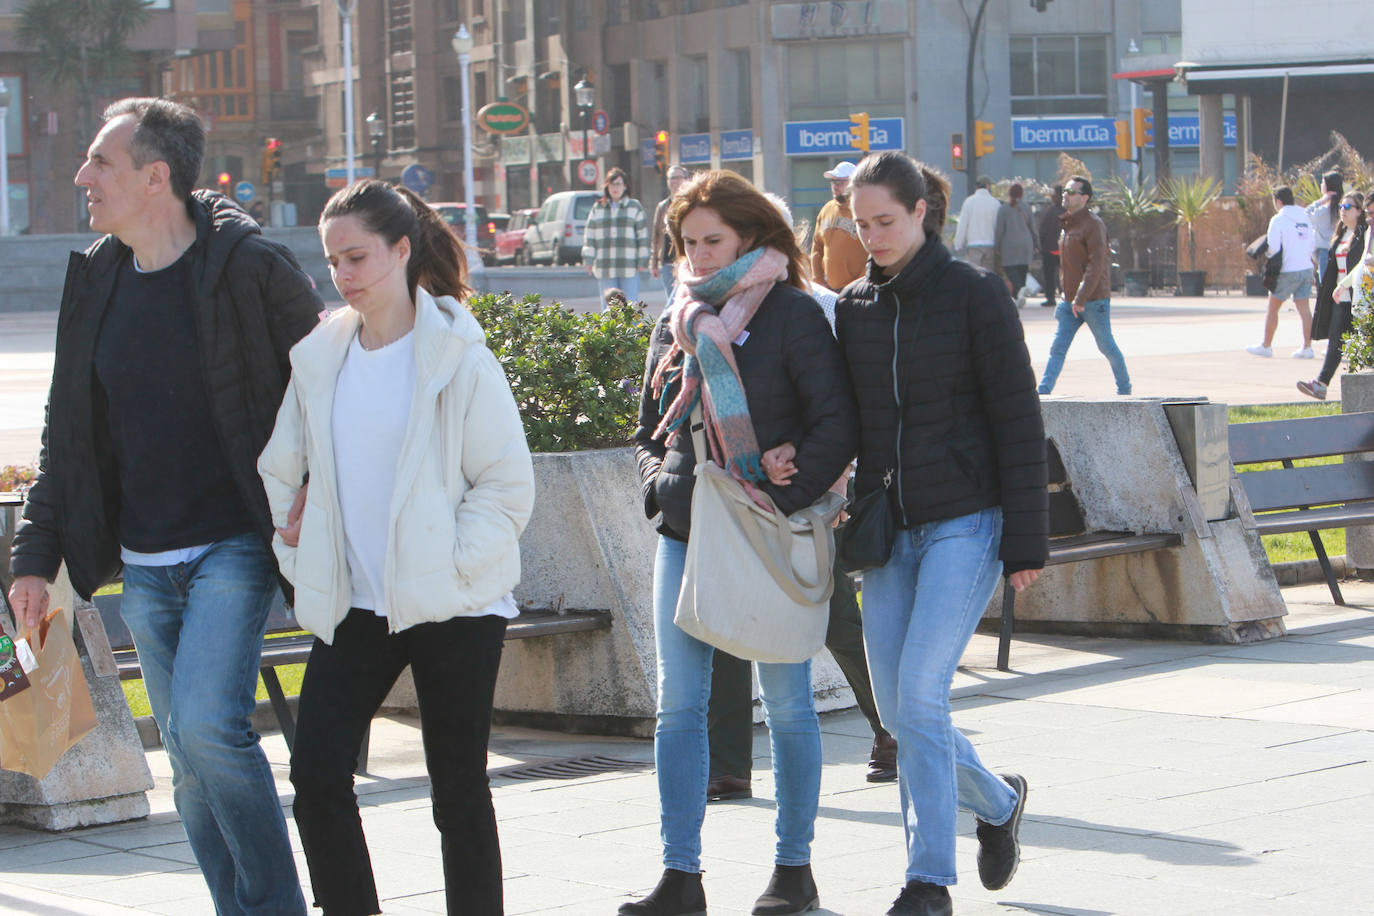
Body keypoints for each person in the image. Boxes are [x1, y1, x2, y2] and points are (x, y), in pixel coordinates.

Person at [6, 97, 322, 914]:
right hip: (142, 562)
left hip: (236, 545)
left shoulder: (250, 268)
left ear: (156, 177)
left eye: (100, 162)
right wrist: (36, 559)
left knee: (210, 729)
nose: (83, 177)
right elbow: (67, 433)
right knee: (183, 753)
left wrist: (318, 488)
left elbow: (326, 386)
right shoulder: (97, 278)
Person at [258, 179, 535, 916]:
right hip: (356, 603)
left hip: (454, 603)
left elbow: (506, 486)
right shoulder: (322, 357)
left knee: (457, 789)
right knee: (316, 779)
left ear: (402, 250)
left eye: (357, 257)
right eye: (333, 261)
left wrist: (447, 566)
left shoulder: (458, 358)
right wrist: (298, 538)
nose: (343, 275)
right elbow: (284, 472)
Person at [626, 170, 858, 916]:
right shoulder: (679, 317)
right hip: (688, 531)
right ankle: (680, 876)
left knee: (788, 703)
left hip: (768, 529)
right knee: (678, 707)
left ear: (750, 237)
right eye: (686, 242)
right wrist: (661, 484)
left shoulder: (792, 314)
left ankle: (795, 871)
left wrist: (781, 495)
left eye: (711, 241)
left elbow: (836, 426)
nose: (695, 255)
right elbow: (646, 433)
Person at [837, 151, 1046, 916]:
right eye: (860, 225)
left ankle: (928, 880)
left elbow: (1018, 419)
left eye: (885, 221)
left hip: (968, 520)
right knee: (899, 715)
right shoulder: (854, 307)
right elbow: (847, 424)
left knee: (921, 700)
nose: (872, 237)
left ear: (922, 210)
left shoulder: (975, 295)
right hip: (888, 532)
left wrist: (1026, 539)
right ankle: (995, 802)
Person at [703, 192, 897, 804]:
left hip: (806, 499)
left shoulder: (814, 309)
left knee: (839, 618)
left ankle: (890, 728)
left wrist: (828, 487)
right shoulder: (698, 311)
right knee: (725, 625)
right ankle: (730, 764)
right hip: (729, 500)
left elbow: (841, 413)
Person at [1036, 176, 1132, 396]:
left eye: (1071, 192)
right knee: (1058, 348)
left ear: (1085, 197)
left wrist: (1081, 298)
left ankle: (1125, 390)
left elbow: (1096, 265)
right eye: (1065, 192)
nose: (1066, 196)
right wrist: (1068, 298)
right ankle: (1044, 391)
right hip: (1069, 301)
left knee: (1106, 346)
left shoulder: (1093, 225)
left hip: (1093, 300)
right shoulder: (1068, 224)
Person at [1299, 191, 1367, 400]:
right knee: (1336, 341)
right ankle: (1321, 384)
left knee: (1364, 340)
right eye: (1341, 207)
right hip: (1341, 298)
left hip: (1359, 299)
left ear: (1359, 211)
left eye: (1347, 207)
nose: (1342, 211)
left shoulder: (1364, 235)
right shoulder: (1340, 234)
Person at [1248, 185, 1317, 359]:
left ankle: (1266, 345)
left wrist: (1268, 257)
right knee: (1304, 309)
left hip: (1288, 270)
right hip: (1306, 268)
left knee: (1272, 307)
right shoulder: (1305, 217)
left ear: (1278, 201)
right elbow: (1312, 243)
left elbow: (1273, 247)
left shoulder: (1278, 219)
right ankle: (1307, 347)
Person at [584, 166, 650, 304]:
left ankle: (631, 327)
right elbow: (590, 236)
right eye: (612, 184)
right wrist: (589, 260)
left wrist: (643, 260)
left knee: (630, 306)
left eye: (618, 184)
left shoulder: (634, 207)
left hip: (628, 266)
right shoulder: (598, 208)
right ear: (607, 187)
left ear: (625, 186)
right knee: (609, 308)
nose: (615, 188)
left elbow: (643, 236)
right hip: (605, 266)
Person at [810, 160, 868, 291]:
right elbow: (816, 248)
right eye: (833, 182)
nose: (835, 186)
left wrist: (861, 283)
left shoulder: (863, 210)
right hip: (828, 289)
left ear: (853, 183)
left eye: (840, 182)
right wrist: (818, 280)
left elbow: (874, 252)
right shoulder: (827, 209)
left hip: (857, 289)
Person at [651, 165, 691, 302]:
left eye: (679, 177)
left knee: (685, 299)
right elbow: (656, 235)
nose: (675, 181)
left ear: (686, 179)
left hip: (687, 261)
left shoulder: (691, 203)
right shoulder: (663, 206)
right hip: (667, 263)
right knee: (671, 301)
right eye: (672, 178)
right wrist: (654, 263)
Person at [994, 182, 1036, 307]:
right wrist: (1036, 244)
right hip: (1026, 243)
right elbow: (1033, 228)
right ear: (1022, 194)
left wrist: (997, 245)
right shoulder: (1027, 207)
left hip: (1009, 243)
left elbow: (1000, 230)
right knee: (1022, 269)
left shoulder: (1004, 209)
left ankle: (1019, 290)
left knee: (1010, 268)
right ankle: (1020, 295)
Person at [951, 176, 1001, 270]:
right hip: (990, 243)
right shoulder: (995, 203)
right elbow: (997, 226)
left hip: (973, 244)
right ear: (987, 186)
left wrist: (958, 244)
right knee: (988, 275)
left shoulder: (969, 202)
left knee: (974, 274)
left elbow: (963, 224)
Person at [1306, 171, 1343, 283]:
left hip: (1324, 253)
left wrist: (1320, 201)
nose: (1321, 185)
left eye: (1323, 182)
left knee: (1326, 286)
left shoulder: (1324, 210)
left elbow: (1305, 215)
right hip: (1339, 250)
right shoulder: (1342, 208)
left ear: (1328, 187)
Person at [1036, 185, 1065, 307]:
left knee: (1049, 274)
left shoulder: (1050, 211)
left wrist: (1040, 245)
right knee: (1066, 274)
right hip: (1065, 248)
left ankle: (1050, 297)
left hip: (1050, 248)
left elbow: (1043, 231)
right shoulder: (1068, 211)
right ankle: (1066, 295)